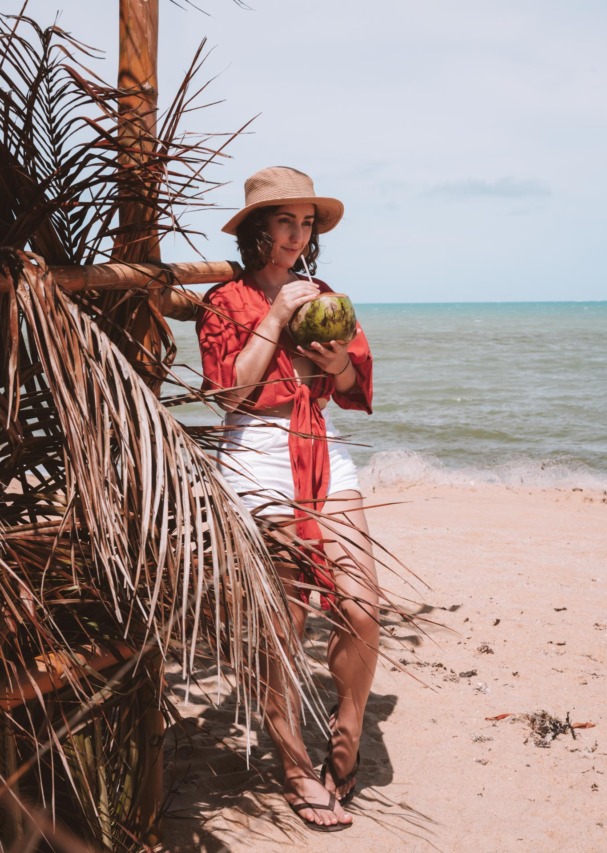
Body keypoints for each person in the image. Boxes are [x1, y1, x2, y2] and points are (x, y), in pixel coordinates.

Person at [196, 166, 379, 832]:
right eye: (285, 220)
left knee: (362, 606)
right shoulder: (226, 301)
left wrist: (335, 364)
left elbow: (355, 376)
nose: (297, 233)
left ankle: (348, 728)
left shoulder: (325, 294)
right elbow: (230, 392)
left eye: (306, 222)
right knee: (285, 619)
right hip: (255, 451)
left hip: (320, 444)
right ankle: (296, 760)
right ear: (256, 228)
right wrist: (275, 315)